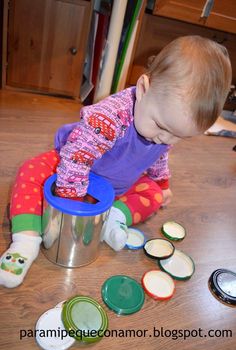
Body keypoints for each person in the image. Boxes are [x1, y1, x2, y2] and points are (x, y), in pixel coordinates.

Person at [0, 36, 232, 288]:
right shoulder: (108, 116)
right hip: (73, 165)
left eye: (178, 136)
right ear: (143, 89)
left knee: (153, 194)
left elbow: (159, 156)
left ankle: (115, 217)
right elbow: (77, 159)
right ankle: (25, 239)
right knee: (31, 171)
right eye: (161, 126)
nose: (164, 138)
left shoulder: (164, 129)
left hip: (117, 183)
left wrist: (162, 183)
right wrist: (71, 205)